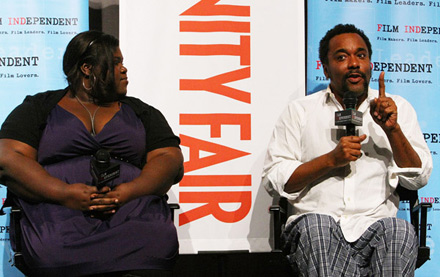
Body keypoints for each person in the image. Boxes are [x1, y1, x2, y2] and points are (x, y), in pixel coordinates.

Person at [0, 30, 184, 276]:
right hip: (58, 216)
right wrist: (64, 193)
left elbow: (169, 159)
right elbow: (8, 157)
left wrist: (129, 191)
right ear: (87, 68)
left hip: (133, 215)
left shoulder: (142, 112)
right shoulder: (38, 108)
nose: (124, 69)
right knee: (53, 247)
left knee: (155, 238)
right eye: (116, 62)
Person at [262, 24, 432, 276]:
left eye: (361, 55)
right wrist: (330, 160)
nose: (354, 63)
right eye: (342, 57)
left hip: (375, 225)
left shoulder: (398, 109)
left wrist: (392, 130)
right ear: (325, 67)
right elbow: (274, 180)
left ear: (370, 64)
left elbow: (419, 178)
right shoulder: (300, 111)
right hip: (315, 224)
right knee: (318, 227)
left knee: (400, 230)